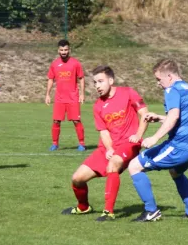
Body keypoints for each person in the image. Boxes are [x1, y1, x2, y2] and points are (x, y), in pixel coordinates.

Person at [61, 65, 149, 222]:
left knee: (113, 165)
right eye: (95, 82)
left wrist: (138, 135)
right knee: (77, 179)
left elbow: (144, 113)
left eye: (100, 81)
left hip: (129, 143)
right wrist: (108, 148)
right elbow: (103, 131)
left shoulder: (128, 92)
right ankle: (83, 207)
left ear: (111, 80)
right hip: (108, 147)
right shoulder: (98, 105)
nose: (97, 86)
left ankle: (108, 212)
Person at [128, 59, 188, 222]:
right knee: (176, 172)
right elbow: (180, 119)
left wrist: (154, 138)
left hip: (180, 146)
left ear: (169, 76)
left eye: (158, 79)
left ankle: (151, 211)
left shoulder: (172, 90)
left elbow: (174, 116)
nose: (158, 84)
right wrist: (160, 117)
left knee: (134, 166)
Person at [45, 39, 86, 151]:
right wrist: (47, 94)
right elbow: (50, 79)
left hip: (73, 97)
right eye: (62, 50)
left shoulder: (75, 63)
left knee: (76, 120)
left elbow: (81, 78)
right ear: (58, 50)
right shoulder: (54, 64)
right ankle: (55, 144)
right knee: (56, 121)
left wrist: (82, 94)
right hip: (59, 98)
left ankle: (81, 144)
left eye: (66, 49)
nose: (64, 52)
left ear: (69, 50)